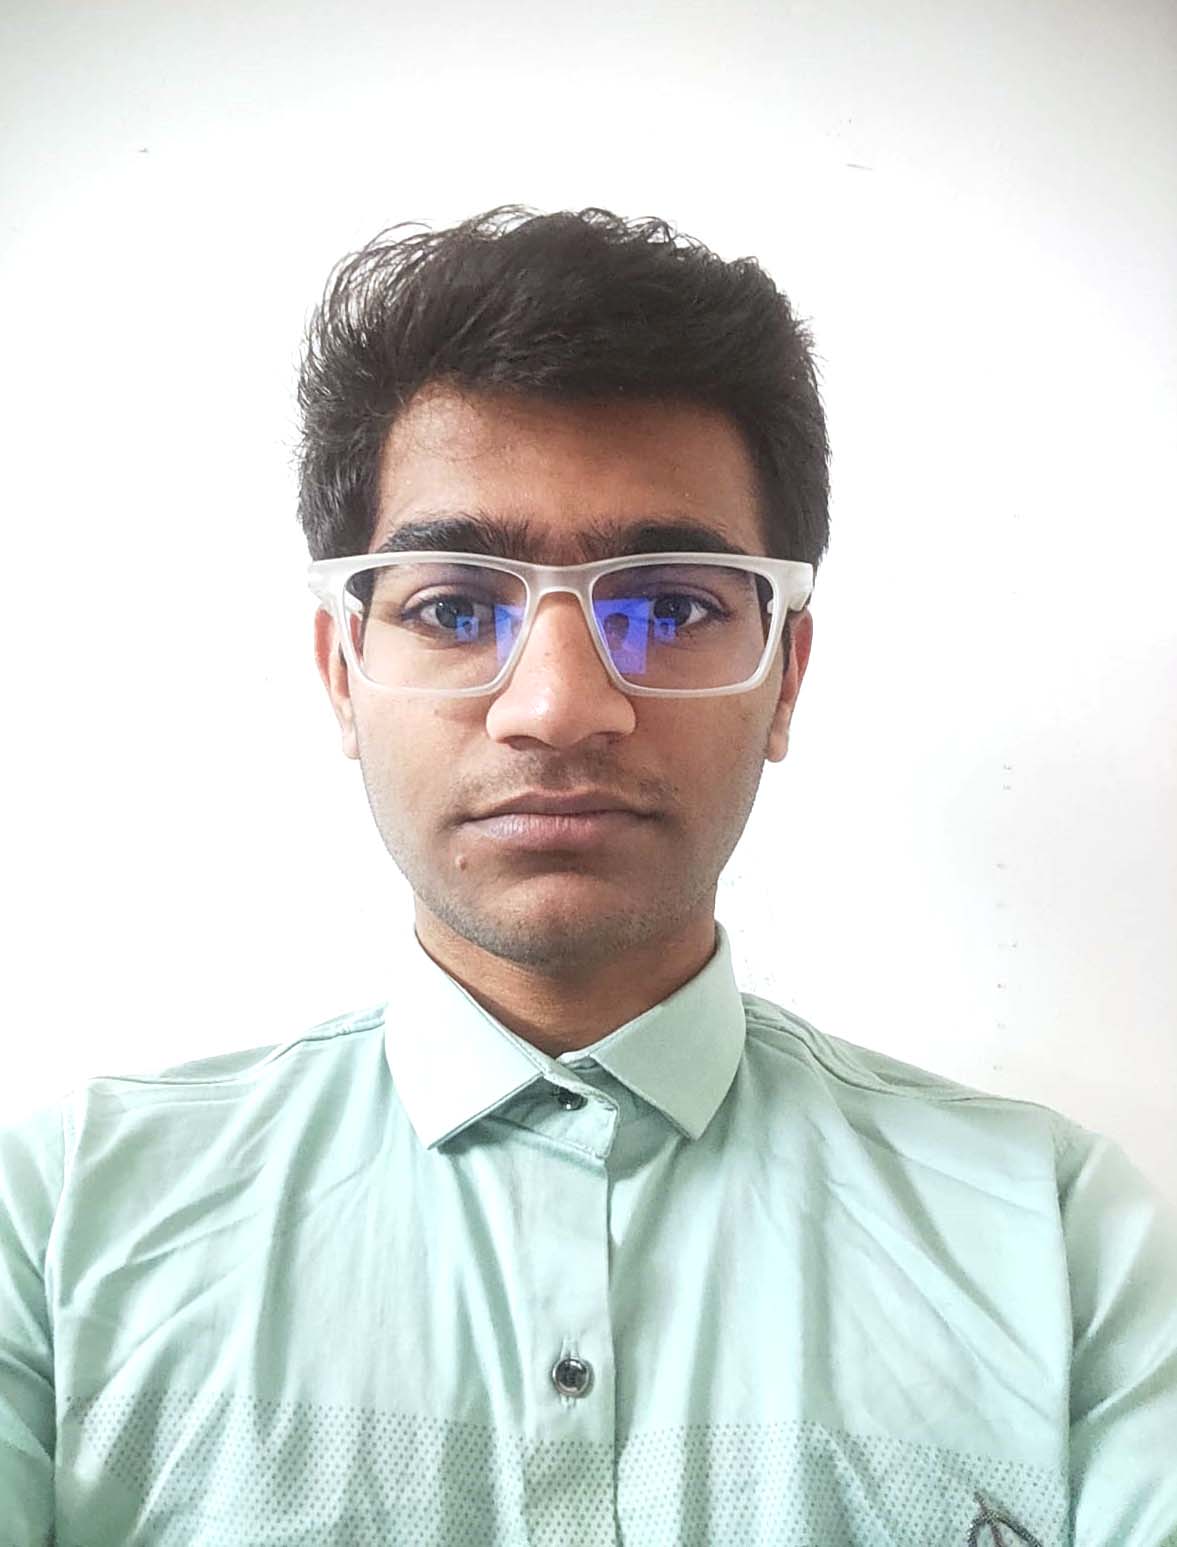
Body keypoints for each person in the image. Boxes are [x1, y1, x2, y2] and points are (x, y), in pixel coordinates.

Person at [1, 206, 1174, 1547]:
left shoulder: (1055, 1244)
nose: (558, 707)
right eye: (455, 608)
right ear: (342, 672)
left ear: (785, 677)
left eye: (669, 608)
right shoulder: (62, 1223)